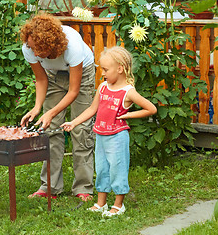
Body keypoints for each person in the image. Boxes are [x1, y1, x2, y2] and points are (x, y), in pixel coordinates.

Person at [61, 46, 157, 216]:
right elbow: (92, 109)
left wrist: (127, 115)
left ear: (120, 69)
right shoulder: (103, 87)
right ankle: (101, 203)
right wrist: (74, 122)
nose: (103, 73)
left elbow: (151, 109)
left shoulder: (128, 92)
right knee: (102, 169)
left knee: (117, 169)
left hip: (117, 137)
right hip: (101, 136)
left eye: (105, 69)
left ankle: (119, 205)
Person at [20, 12, 96, 201]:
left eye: (39, 49)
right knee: (50, 130)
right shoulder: (28, 48)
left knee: (81, 129)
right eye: (32, 47)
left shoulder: (73, 47)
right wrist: (38, 108)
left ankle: (83, 187)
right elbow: (41, 78)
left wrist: (52, 112)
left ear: (51, 45)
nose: (35, 53)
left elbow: (73, 91)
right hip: (53, 76)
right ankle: (50, 187)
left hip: (82, 74)